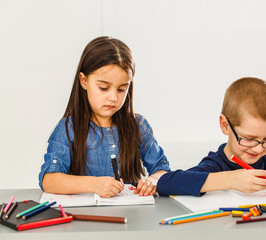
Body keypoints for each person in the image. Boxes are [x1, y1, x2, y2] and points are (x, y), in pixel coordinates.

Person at [39, 36, 170, 198]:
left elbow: (162, 169)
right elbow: (49, 180)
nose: (113, 97)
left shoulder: (139, 126)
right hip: (85, 217)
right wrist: (94, 184)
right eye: (104, 88)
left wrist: (153, 181)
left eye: (122, 89)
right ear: (84, 81)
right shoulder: (68, 128)